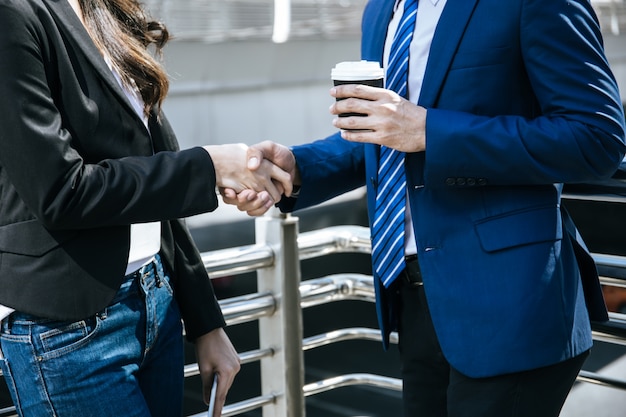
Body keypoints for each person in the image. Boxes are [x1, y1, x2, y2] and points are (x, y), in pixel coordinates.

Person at [224, 0, 626, 415]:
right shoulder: (381, 10)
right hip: (413, 299)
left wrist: (430, 130)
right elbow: (386, 135)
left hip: (510, 302)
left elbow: (597, 138)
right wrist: (296, 167)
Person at [0, 0, 291, 416]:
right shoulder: (13, 14)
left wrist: (205, 320)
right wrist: (209, 167)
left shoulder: (104, 8)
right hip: (66, 330)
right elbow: (62, 192)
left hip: (155, 300)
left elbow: (154, 166)